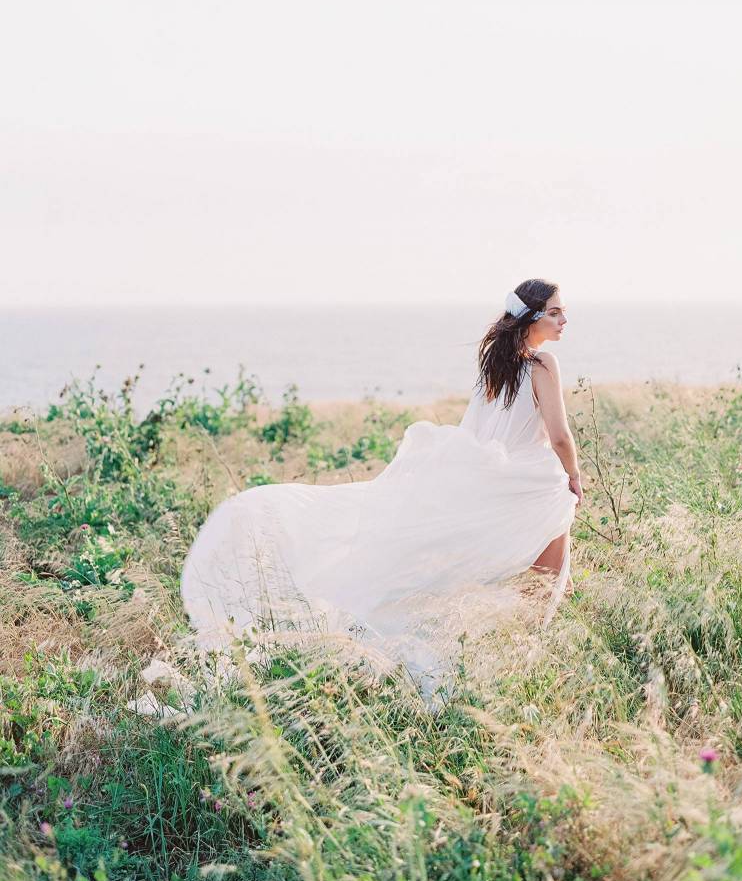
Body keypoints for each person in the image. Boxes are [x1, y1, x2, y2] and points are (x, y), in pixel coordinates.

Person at [180, 278, 582, 683]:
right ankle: (530, 661)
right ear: (531, 316)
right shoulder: (543, 364)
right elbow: (560, 435)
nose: (564, 318)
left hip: (497, 478)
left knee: (512, 576)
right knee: (548, 583)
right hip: (530, 481)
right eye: (555, 311)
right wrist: (574, 476)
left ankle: (516, 653)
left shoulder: (496, 362)